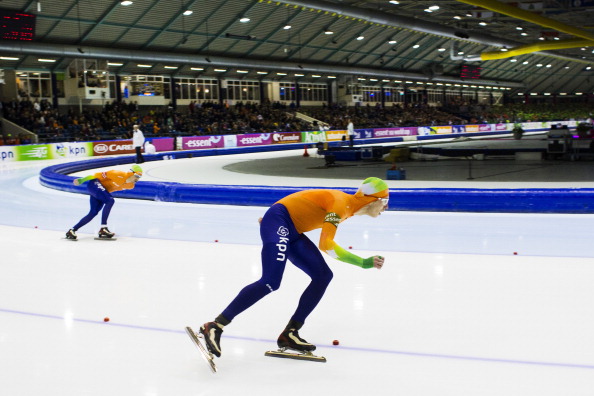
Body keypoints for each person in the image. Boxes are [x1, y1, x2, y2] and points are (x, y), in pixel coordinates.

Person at [199, 177, 389, 358]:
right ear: (374, 200)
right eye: (385, 200)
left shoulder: (348, 207)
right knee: (270, 282)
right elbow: (326, 245)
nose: (386, 207)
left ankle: (290, 333)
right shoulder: (341, 204)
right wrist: (363, 263)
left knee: (323, 276)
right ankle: (216, 325)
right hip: (279, 221)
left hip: (292, 229)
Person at [65, 165, 143, 240]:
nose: (137, 179)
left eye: (139, 177)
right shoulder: (116, 174)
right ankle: (103, 227)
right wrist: (82, 180)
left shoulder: (130, 186)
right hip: (94, 184)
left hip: (101, 191)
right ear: (131, 173)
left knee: (93, 212)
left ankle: (72, 230)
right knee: (110, 200)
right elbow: (95, 176)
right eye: (137, 176)